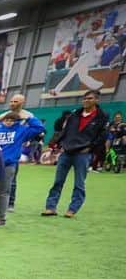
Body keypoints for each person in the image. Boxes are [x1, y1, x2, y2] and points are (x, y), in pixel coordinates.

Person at [42, 89, 108, 218]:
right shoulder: (75, 114)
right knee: (58, 181)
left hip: (83, 154)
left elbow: (102, 136)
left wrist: (90, 148)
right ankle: (50, 207)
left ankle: (72, 209)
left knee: (79, 183)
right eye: (84, 98)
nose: (86, 101)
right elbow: (65, 131)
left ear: (96, 100)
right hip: (66, 152)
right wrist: (55, 145)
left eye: (89, 98)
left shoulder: (102, 116)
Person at [0, 112, 44, 226]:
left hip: (8, 165)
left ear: (17, 121)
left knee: (3, 192)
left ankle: (1, 219)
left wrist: (29, 118)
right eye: (6, 119)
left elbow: (39, 128)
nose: (8, 122)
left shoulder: (21, 130)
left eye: (12, 120)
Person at [0, 94, 35, 210]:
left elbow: (33, 129)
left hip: (15, 148)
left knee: (12, 179)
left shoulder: (28, 115)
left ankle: (10, 203)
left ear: (22, 102)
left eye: (15, 101)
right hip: (3, 147)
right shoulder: (5, 115)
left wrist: (23, 139)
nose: (12, 103)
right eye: (11, 101)